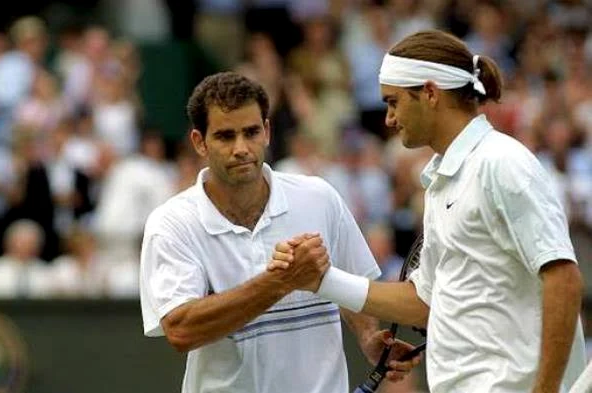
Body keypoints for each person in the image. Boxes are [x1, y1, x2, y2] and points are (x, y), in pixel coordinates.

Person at [269, 30, 587, 393]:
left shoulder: (502, 163)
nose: (388, 118)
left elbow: (563, 278)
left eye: (394, 102)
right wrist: (322, 280)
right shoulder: (444, 180)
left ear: (431, 94)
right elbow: (424, 301)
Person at [139, 72, 420, 393]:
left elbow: (353, 285)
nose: (241, 148)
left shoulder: (320, 197)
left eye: (251, 132)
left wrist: (369, 337)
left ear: (267, 132)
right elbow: (181, 330)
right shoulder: (172, 223)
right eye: (225, 136)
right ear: (199, 142)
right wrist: (280, 281)